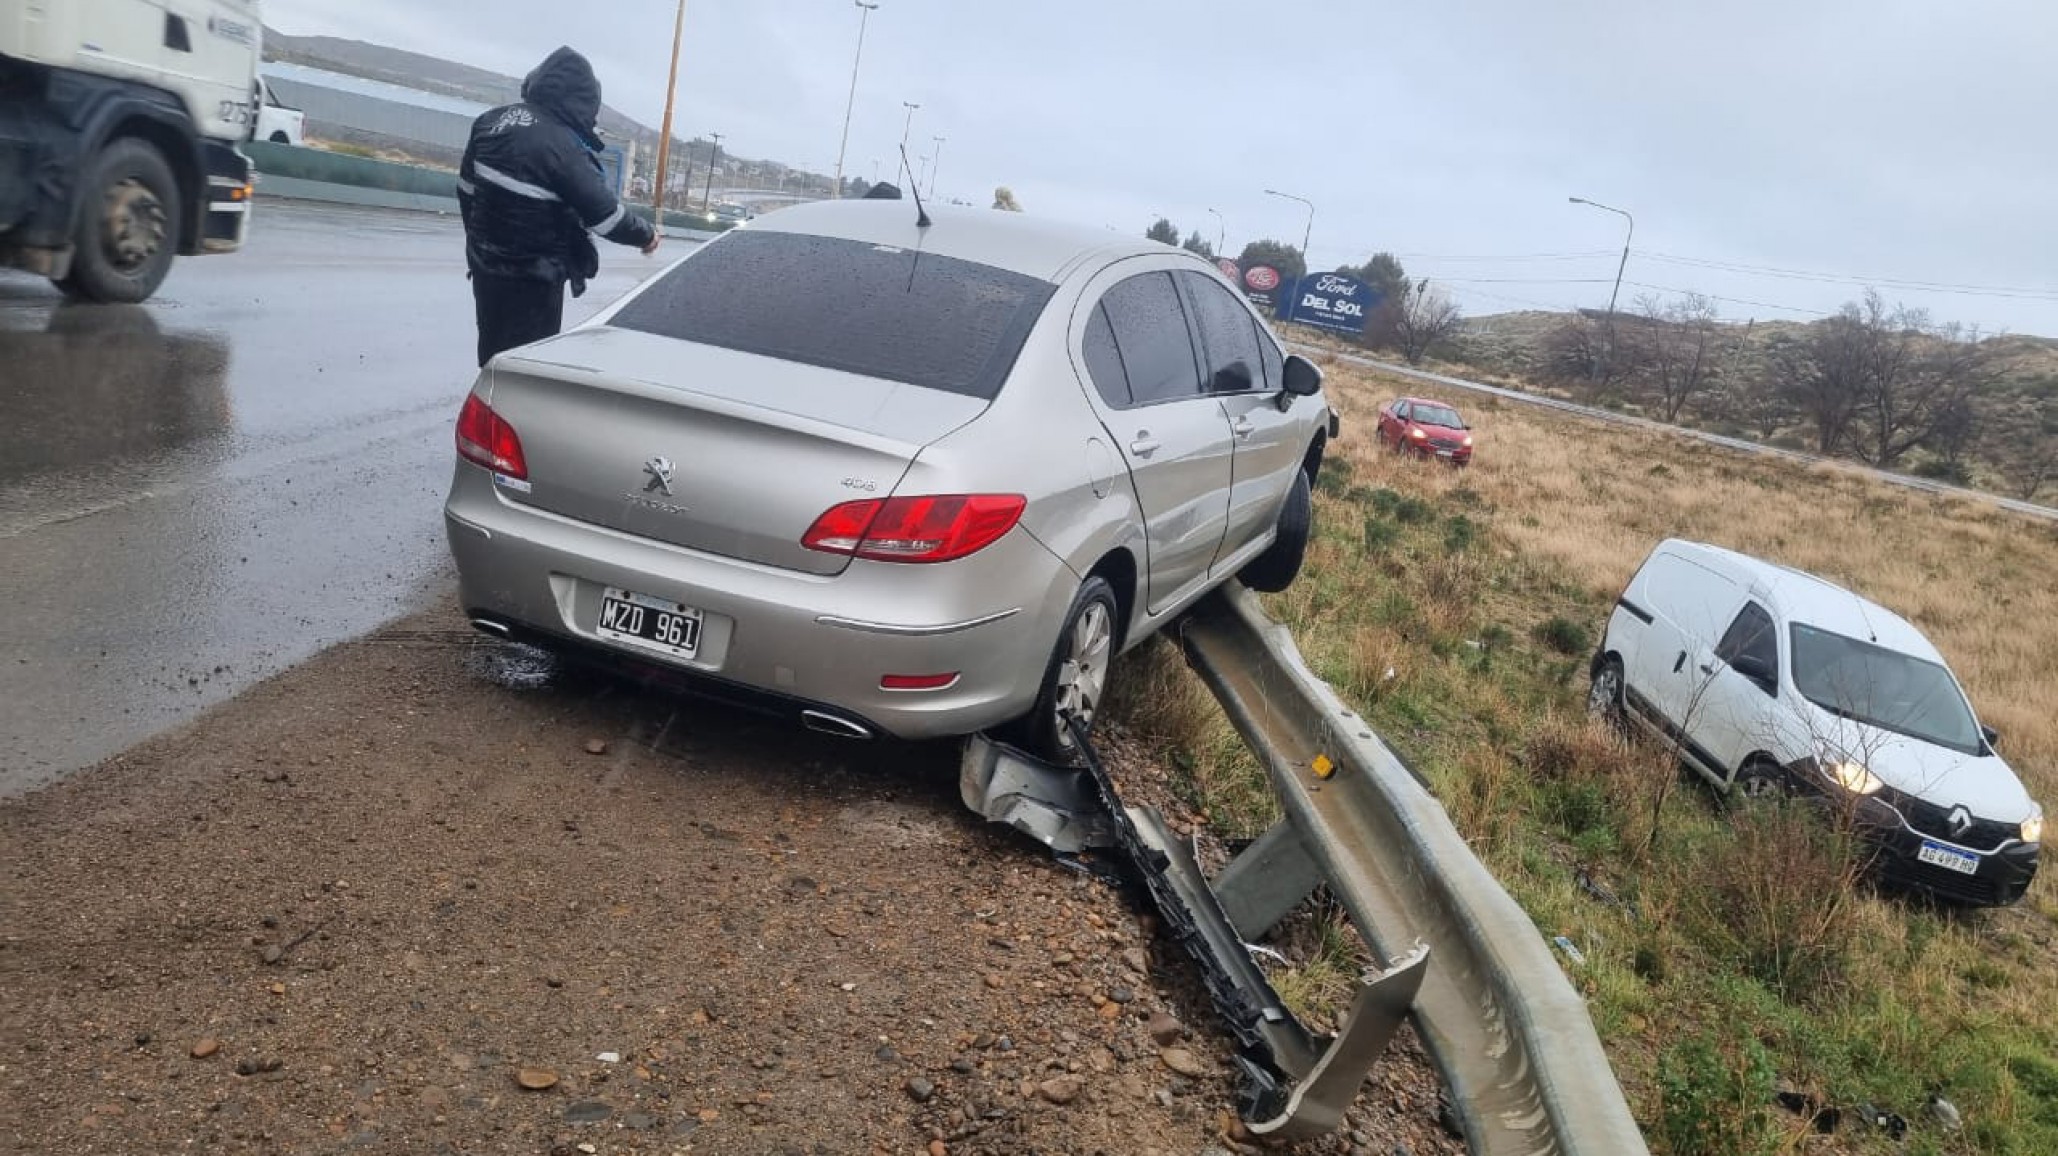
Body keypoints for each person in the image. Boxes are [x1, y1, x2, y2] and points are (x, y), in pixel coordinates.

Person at [458, 47, 658, 367]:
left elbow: (467, 192)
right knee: (525, 366)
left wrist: (481, 245)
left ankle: (488, 409)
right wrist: (646, 235)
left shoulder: (489, 122)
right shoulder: (561, 146)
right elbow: (606, 217)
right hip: (534, 279)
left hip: (486, 269)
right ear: (580, 101)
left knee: (492, 353)